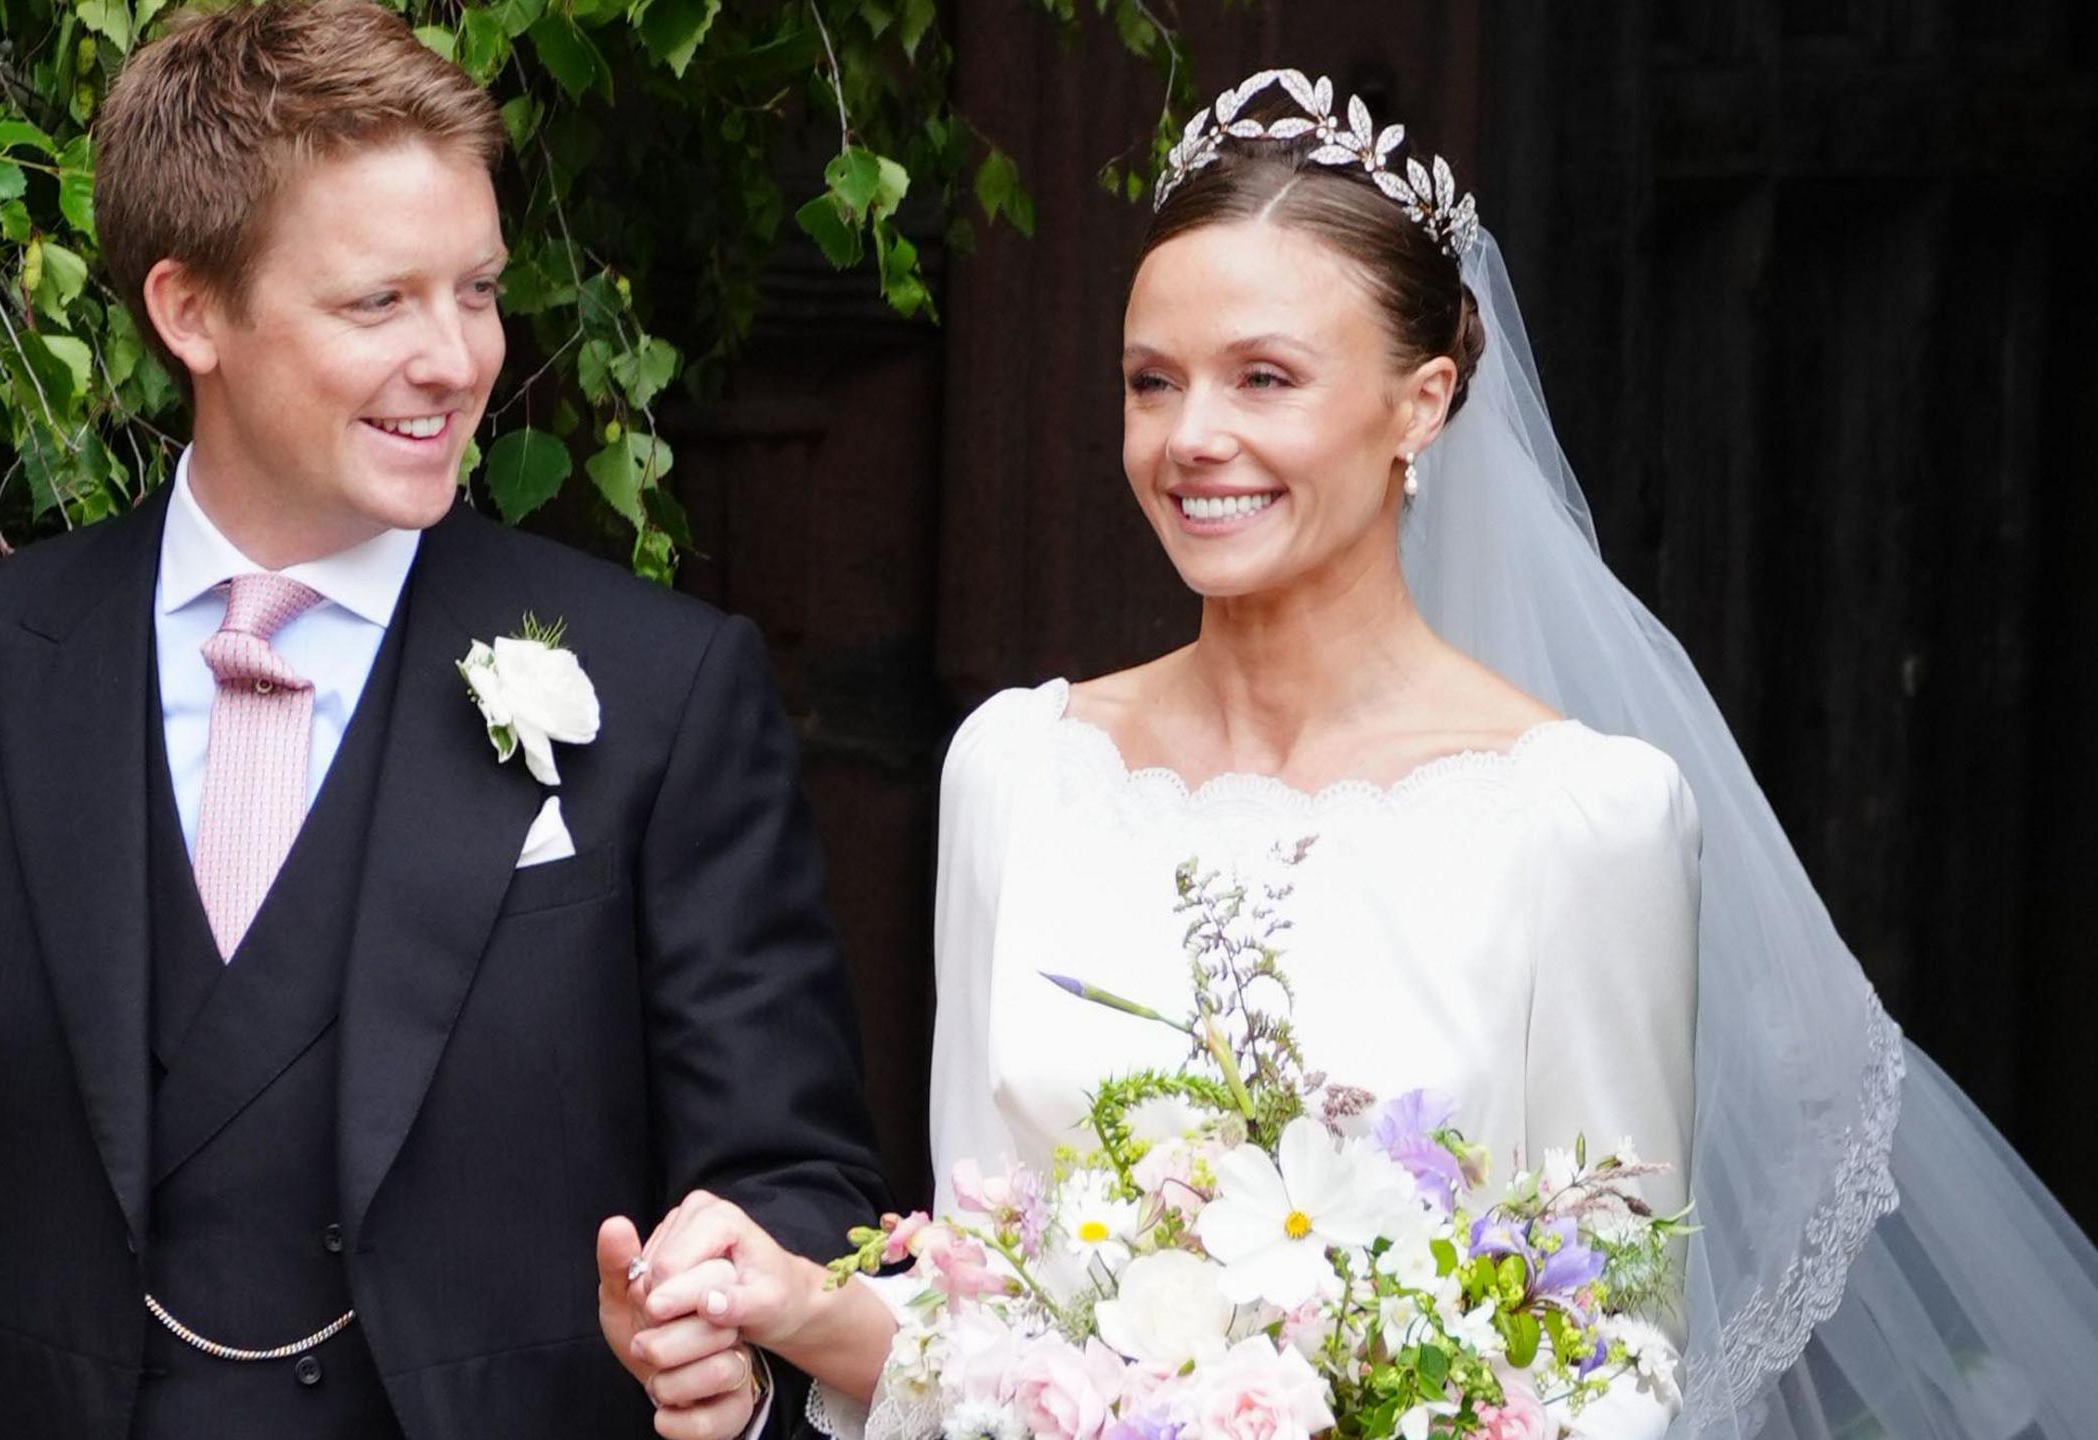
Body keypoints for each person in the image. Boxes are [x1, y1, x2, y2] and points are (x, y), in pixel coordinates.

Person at [615, 70, 2098, 1440]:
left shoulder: (1581, 820)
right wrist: (798, 1310)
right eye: (1152, 380)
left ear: (1424, 405)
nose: (1192, 436)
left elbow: (1607, 1372)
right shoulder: (1020, 771)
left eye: (1265, 378)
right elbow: (982, 1327)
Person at [0, 4, 884, 1437]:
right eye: (378, 303)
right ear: (190, 310)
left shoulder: (665, 689)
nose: (456, 359)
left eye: (479, 291)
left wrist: (730, 1331)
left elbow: (791, 1173)